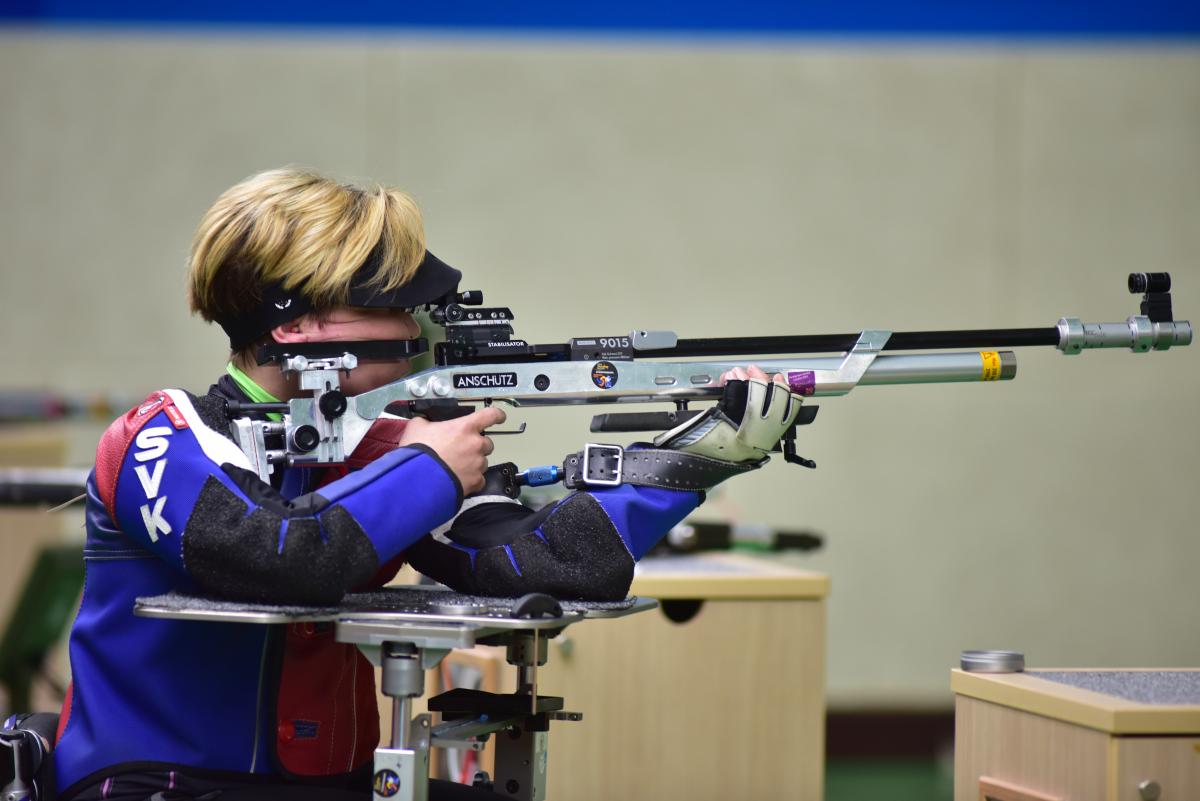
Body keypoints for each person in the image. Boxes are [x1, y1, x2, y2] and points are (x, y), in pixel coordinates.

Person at [53, 168, 803, 801]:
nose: (414, 326)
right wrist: (429, 468)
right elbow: (281, 555)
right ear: (297, 324)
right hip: (157, 783)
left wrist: (704, 453)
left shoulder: (382, 444)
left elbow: (543, 564)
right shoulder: (160, 437)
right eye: (387, 304)